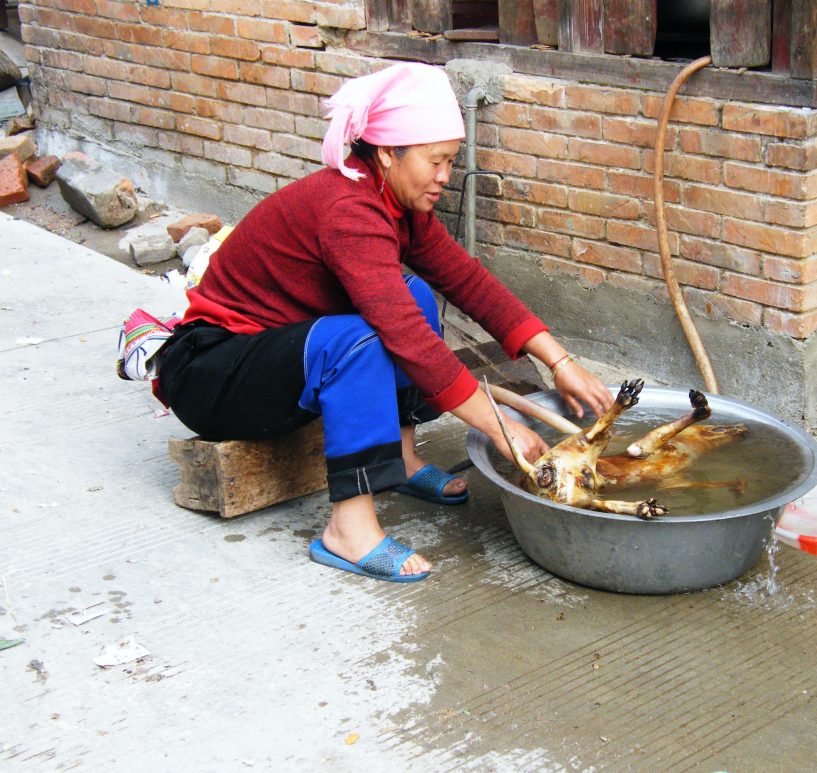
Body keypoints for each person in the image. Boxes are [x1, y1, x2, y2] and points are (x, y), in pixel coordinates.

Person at [155, 62, 614, 583]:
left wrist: (559, 362)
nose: (445, 176)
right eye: (436, 161)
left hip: (276, 356)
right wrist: (497, 426)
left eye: (451, 162)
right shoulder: (348, 209)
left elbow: (468, 282)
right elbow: (405, 338)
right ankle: (348, 530)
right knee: (362, 339)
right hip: (212, 372)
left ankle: (400, 457)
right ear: (390, 152)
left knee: (413, 293)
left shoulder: (394, 201)